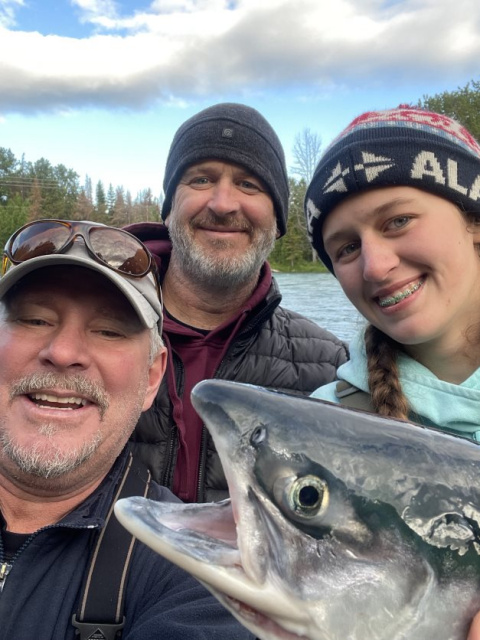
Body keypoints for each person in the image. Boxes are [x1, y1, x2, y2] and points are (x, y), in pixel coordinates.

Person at [0, 219, 253, 639]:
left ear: (151, 378)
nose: (62, 352)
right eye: (35, 320)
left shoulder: (198, 575)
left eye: (108, 331)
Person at [304, 106, 480, 639]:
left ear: (473, 220)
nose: (375, 266)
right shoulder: (321, 425)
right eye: (346, 248)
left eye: (397, 220)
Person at [126, 102, 348, 503]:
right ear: (170, 206)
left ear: (278, 218)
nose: (223, 203)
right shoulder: (86, 338)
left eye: (249, 184)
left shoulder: (332, 369)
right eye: (201, 179)